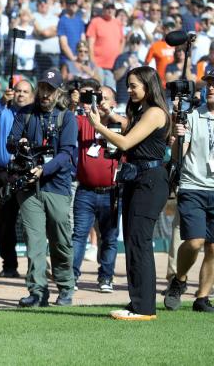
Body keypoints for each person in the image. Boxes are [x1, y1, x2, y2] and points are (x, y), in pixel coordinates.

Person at [88, 65, 170, 321]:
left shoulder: (156, 112)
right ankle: (138, 303)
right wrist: (110, 115)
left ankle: (145, 308)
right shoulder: (144, 111)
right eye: (129, 85)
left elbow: (125, 141)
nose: (130, 90)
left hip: (150, 181)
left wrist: (97, 125)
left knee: (139, 242)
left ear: (148, 85)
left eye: (134, 85)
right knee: (135, 241)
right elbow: (129, 127)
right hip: (138, 179)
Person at [7, 69, 78, 308]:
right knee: (34, 241)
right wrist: (20, 145)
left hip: (56, 186)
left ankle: (66, 285)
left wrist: (43, 170)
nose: (45, 94)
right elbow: (10, 143)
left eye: (50, 89)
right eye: (43, 88)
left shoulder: (66, 117)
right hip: (28, 186)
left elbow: (67, 153)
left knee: (60, 240)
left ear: (58, 92)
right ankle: (37, 291)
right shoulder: (25, 113)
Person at [164, 72, 214, 313]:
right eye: (210, 84)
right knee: (194, 242)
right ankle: (180, 279)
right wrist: (177, 133)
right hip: (193, 186)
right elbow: (177, 155)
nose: (211, 88)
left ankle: (202, 298)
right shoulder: (193, 116)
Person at [72, 81, 126, 293]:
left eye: (104, 97)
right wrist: (75, 102)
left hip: (111, 191)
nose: (100, 100)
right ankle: (72, 277)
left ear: (113, 102)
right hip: (85, 190)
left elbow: (128, 127)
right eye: (97, 96)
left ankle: (106, 278)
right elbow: (67, 122)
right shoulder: (84, 120)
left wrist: (108, 115)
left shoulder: (118, 122)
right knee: (79, 236)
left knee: (110, 238)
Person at [0, 80, 35, 278]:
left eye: (25, 92)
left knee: (32, 223)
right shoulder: (3, 112)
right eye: (17, 91)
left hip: (28, 174)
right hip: (2, 174)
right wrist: (0, 101)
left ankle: (36, 267)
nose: (21, 94)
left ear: (32, 96)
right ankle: (9, 265)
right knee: (4, 222)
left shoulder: (35, 116)